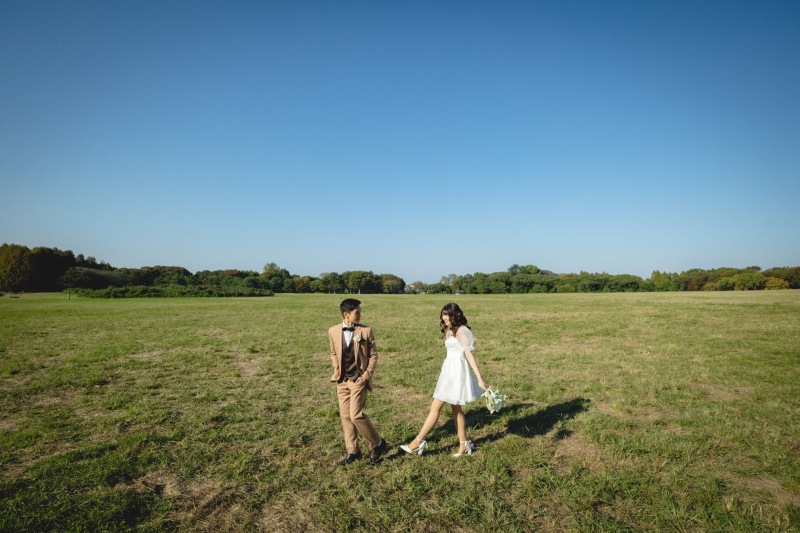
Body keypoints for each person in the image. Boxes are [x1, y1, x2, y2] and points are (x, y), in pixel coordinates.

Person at [400, 302, 487, 457]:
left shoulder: (462, 332)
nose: (443, 318)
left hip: (456, 374)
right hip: (448, 372)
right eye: (443, 315)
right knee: (456, 410)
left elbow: (468, 355)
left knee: (436, 407)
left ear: (455, 315)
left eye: (446, 315)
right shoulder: (451, 332)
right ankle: (464, 444)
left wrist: (479, 379)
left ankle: (418, 441)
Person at [328, 298, 387, 465]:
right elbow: (333, 353)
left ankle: (378, 443)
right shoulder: (332, 331)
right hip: (342, 381)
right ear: (346, 314)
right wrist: (337, 370)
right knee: (345, 416)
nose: (360, 314)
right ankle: (353, 451)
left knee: (355, 415)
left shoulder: (366, 331)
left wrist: (366, 375)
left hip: (358, 380)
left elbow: (374, 355)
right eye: (357, 312)